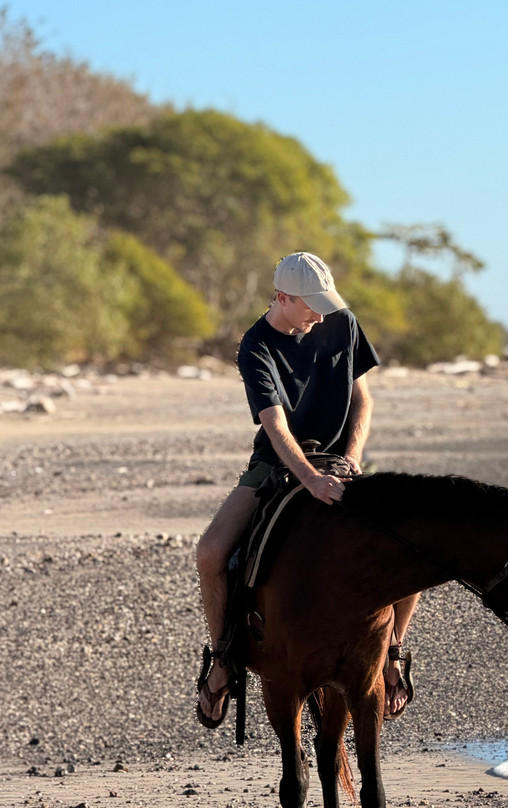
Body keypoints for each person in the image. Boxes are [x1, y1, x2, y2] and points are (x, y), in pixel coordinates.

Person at [195, 251, 419, 728]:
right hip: (277, 464)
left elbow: (362, 399)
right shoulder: (255, 346)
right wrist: (311, 480)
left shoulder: (342, 322)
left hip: (342, 461)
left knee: (408, 543)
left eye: (324, 303)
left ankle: (393, 650)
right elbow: (275, 427)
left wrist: (352, 457)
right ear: (283, 298)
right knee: (210, 552)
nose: (320, 315)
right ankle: (222, 659)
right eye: (311, 305)